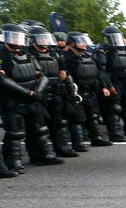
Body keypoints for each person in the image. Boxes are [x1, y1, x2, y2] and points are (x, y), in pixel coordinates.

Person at [1, 23, 65, 174]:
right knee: (15, 133)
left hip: (33, 98)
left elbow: (42, 75)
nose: (16, 41)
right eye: (13, 37)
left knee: (39, 129)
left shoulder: (28, 54)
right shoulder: (2, 56)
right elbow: (3, 80)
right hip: (13, 100)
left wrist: (37, 91)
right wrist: (27, 93)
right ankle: (13, 162)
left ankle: (43, 155)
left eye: (19, 37)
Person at [27, 25, 79, 158]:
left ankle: (61, 148)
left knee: (59, 122)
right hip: (39, 93)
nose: (44, 40)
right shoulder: (29, 54)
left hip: (56, 91)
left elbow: (62, 72)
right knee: (38, 126)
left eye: (46, 38)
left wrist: (68, 88)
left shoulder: (54, 53)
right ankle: (39, 154)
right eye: (41, 38)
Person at [64, 32, 114, 149]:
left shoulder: (89, 56)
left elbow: (98, 73)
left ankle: (97, 138)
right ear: (72, 43)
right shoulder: (67, 58)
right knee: (77, 118)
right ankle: (78, 143)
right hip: (77, 92)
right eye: (80, 41)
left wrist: (103, 86)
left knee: (93, 116)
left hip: (91, 90)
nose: (83, 44)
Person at [96, 25, 126, 140]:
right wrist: (108, 85)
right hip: (115, 81)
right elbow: (102, 70)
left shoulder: (124, 50)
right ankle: (116, 133)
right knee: (114, 108)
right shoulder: (103, 51)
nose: (115, 39)